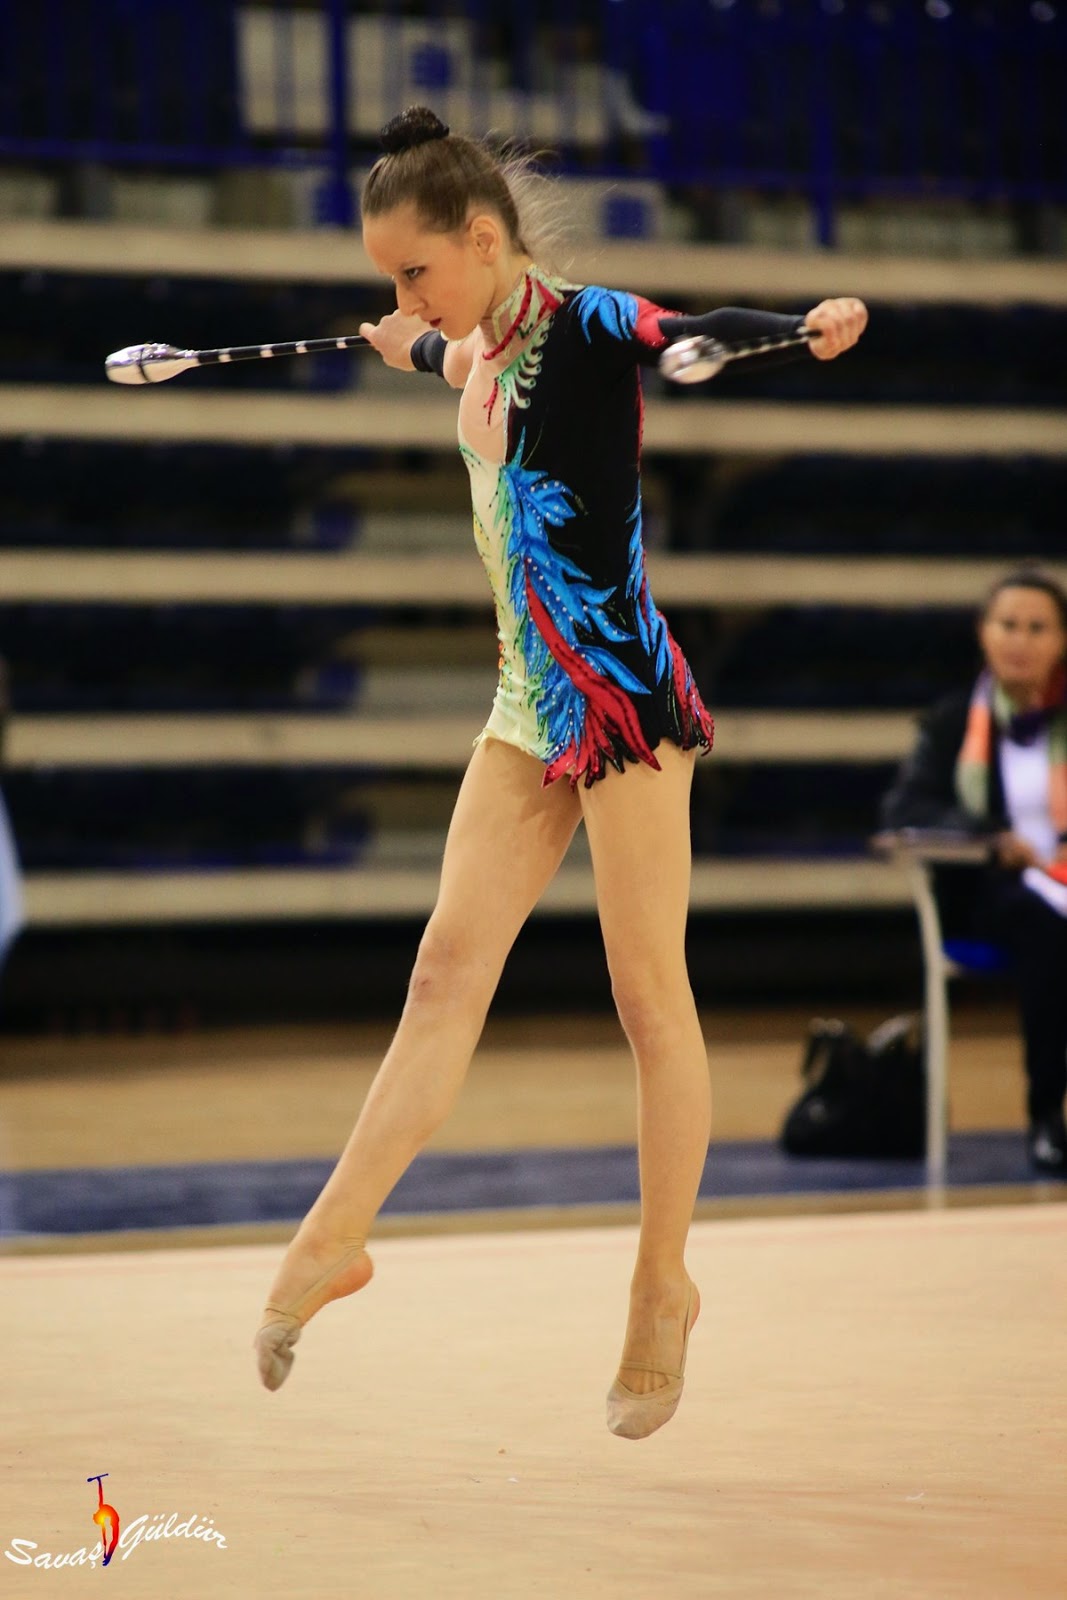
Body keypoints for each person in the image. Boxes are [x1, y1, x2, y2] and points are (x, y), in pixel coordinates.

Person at [255, 106, 868, 1438]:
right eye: (387, 278)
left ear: (483, 239)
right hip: (523, 706)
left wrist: (793, 328)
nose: (401, 296)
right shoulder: (471, 341)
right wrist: (412, 342)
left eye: (413, 271)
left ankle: (661, 1287)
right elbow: (449, 357)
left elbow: (682, 334)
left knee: (647, 997)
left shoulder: (585, 326)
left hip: (622, 704)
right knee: (440, 974)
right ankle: (330, 1241)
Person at [881, 569, 1067, 1176]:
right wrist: (990, 837)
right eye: (1008, 624)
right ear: (983, 633)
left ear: (1061, 641)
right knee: (1043, 924)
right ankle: (1047, 1117)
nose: (1021, 640)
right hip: (992, 893)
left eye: (1037, 627)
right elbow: (906, 810)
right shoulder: (952, 721)